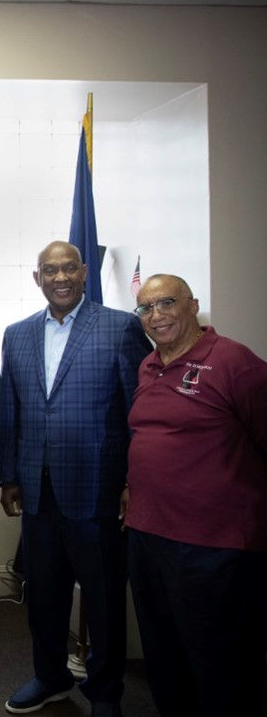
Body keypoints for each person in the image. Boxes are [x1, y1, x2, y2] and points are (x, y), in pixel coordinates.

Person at [0, 241, 151, 717]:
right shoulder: (17, 334)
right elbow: (12, 411)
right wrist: (10, 477)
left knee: (103, 599)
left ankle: (104, 692)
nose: (59, 277)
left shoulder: (120, 327)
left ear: (84, 273)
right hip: (38, 492)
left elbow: (138, 409)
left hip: (97, 489)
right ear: (36, 277)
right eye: (49, 270)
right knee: (43, 595)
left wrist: (131, 480)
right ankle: (50, 676)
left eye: (68, 268)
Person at [123, 274, 267, 717]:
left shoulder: (234, 362)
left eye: (167, 303)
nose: (156, 315)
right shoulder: (150, 365)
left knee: (219, 661)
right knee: (164, 655)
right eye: (146, 308)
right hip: (149, 538)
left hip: (213, 546)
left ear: (193, 305)